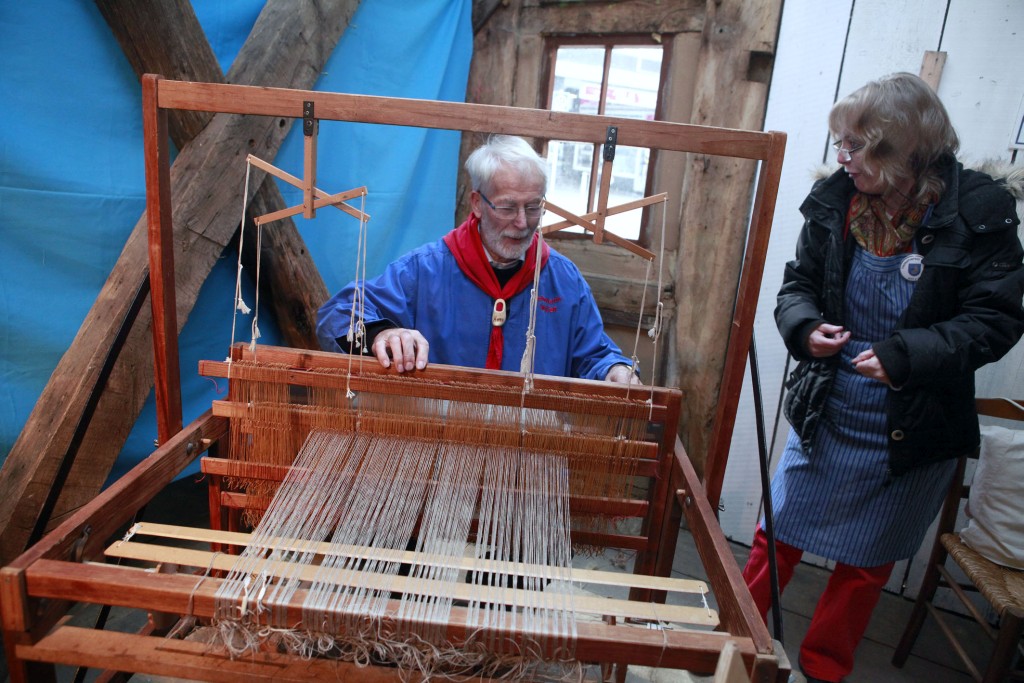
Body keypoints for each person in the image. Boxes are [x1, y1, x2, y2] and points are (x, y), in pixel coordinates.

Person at [742, 72, 1024, 683]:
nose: (842, 157)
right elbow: (798, 285)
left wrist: (905, 356)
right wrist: (805, 327)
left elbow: (994, 320)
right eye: (840, 143)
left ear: (903, 150)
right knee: (778, 533)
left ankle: (823, 667)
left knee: (866, 563)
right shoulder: (835, 201)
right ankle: (737, 640)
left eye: (856, 145)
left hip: (915, 421)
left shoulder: (979, 212)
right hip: (832, 403)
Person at [317, 134, 639, 384]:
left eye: (533, 207)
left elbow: (595, 354)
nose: (522, 223)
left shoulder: (563, 280)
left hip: (529, 441)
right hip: (441, 438)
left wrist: (615, 369)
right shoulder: (425, 271)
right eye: (508, 207)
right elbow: (339, 312)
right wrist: (382, 334)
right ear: (477, 203)